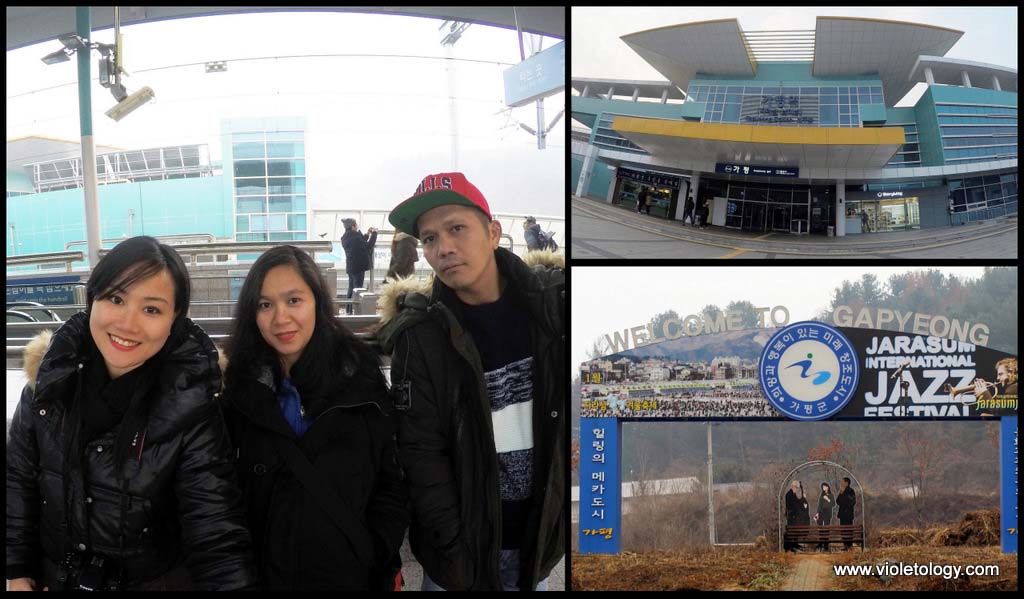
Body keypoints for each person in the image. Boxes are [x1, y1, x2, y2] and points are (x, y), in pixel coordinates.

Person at [6, 236, 257, 591]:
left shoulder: (191, 404)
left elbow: (214, 528)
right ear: (92, 299)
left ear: (174, 321)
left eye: (151, 309)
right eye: (116, 298)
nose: (127, 323)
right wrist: (16, 571)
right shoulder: (49, 384)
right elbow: (18, 483)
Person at [377, 172, 564, 591]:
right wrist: (456, 550)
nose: (443, 248)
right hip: (458, 566)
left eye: (456, 228)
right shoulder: (420, 336)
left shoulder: (552, 311)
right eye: (428, 238)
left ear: (494, 232)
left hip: (539, 554)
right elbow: (420, 453)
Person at [220, 245, 408, 591]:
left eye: (294, 300)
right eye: (265, 305)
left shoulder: (360, 379)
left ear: (318, 303)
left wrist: (374, 548)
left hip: (352, 577)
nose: (280, 318)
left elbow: (391, 480)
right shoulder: (237, 391)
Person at [340, 218, 378, 314]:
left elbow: (360, 244)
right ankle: (357, 312)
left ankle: (348, 310)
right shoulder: (355, 237)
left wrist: (367, 234)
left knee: (351, 288)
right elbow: (368, 246)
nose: (357, 227)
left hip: (351, 266)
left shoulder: (345, 237)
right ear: (353, 226)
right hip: (359, 266)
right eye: (356, 225)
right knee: (357, 289)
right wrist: (374, 234)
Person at [784, 480, 810, 552]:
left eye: (798, 487)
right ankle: (791, 546)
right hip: (791, 516)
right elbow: (790, 506)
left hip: (795, 516)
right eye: (796, 487)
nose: (797, 489)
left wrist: (803, 500)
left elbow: (798, 502)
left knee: (795, 531)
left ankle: (795, 544)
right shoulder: (789, 494)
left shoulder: (793, 494)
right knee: (792, 531)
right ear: (793, 486)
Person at [836, 477, 857, 550]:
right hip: (842, 514)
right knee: (843, 530)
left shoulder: (851, 491)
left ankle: (849, 545)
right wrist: (841, 494)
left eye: (843, 482)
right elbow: (838, 501)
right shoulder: (842, 491)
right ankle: (845, 545)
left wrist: (844, 501)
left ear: (846, 483)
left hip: (848, 514)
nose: (841, 483)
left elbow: (853, 502)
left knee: (848, 530)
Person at [815, 482, 835, 552]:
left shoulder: (831, 495)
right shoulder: (821, 495)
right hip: (821, 512)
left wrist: (827, 499)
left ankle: (826, 545)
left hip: (827, 513)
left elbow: (833, 504)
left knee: (826, 528)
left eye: (825, 487)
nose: (824, 488)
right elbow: (819, 505)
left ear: (828, 487)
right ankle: (820, 543)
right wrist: (817, 513)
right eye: (823, 487)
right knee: (820, 528)